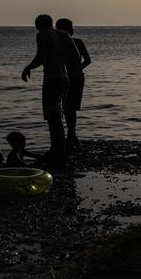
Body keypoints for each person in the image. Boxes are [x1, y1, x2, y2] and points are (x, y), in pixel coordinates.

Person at [21, 14, 80, 166]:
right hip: (64, 79)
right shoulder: (64, 35)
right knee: (57, 115)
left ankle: (58, 154)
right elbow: (76, 57)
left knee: (53, 117)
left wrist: (28, 67)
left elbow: (41, 57)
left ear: (39, 25)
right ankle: (58, 151)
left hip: (52, 80)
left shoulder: (43, 35)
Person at [56, 18, 91, 152]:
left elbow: (88, 60)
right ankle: (72, 135)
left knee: (70, 106)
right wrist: (78, 68)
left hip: (73, 77)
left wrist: (77, 69)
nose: (72, 29)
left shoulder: (75, 42)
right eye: (70, 27)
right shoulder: (73, 42)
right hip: (71, 76)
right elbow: (87, 60)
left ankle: (71, 135)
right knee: (68, 107)